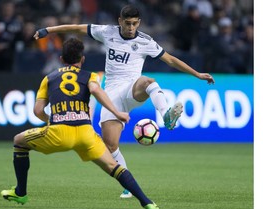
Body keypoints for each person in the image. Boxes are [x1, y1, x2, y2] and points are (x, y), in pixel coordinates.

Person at [34, 4, 215, 198]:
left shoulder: (146, 41)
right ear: (120, 21)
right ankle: (128, 185)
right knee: (110, 146)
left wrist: (197, 74)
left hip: (131, 89)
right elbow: (78, 28)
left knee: (148, 81)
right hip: (111, 97)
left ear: (139, 23)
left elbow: (170, 59)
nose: (131, 27)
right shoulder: (107, 32)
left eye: (135, 24)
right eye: (127, 23)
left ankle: (167, 116)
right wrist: (48, 31)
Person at [0, 38, 159, 209]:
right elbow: (96, 91)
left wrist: (52, 120)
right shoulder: (90, 76)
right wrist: (117, 113)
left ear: (61, 59)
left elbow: (38, 111)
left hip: (59, 134)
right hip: (85, 133)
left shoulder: (49, 78)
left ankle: (20, 193)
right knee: (114, 167)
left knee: (19, 141)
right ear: (82, 59)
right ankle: (146, 201)